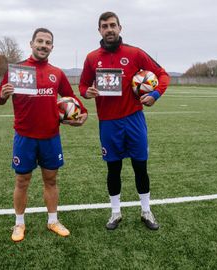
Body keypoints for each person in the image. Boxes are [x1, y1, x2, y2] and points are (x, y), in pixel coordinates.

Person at [0, 28, 88, 242]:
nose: (43, 45)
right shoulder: (17, 71)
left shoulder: (57, 72)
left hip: (51, 137)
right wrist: (2, 94)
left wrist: (83, 112)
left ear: (52, 47)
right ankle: (19, 224)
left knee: (51, 180)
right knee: (22, 180)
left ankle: (53, 220)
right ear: (31, 43)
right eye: (40, 41)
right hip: (25, 136)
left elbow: (70, 96)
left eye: (47, 42)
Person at [79, 12, 169, 230]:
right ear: (99, 30)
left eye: (112, 25)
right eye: (104, 26)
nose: (109, 29)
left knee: (140, 167)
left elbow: (163, 74)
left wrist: (155, 94)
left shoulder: (135, 53)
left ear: (120, 28)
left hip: (134, 119)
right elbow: (82, 86)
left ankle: (146, 211)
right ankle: (115, 213)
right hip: (108, 123)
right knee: (113, 169)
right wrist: (87, 92)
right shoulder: (92, 58)